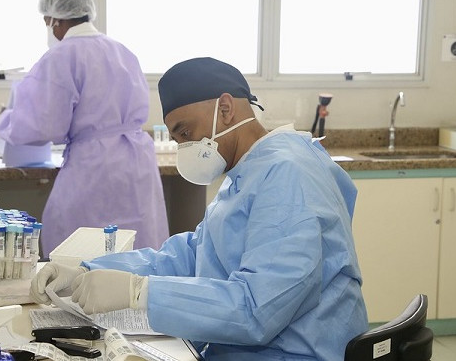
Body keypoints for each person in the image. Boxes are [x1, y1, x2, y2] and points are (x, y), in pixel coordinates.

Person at [31, 57, 368, 361]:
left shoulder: (288, 175)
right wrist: (85, 270)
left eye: (187, 132)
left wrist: (139, 293)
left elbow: (256, 309)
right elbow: (194, 254)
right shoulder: (250, 170)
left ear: (225, 108)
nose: (185, 148)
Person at [0, 0, 169, 255]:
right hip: (136, 161)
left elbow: (44, 124)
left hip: (95, 165)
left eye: (46, 21)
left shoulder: (61, 56)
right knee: (136, 246)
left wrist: (5, 121)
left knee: (81, 248)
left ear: (56, 20)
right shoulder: (122, 51)